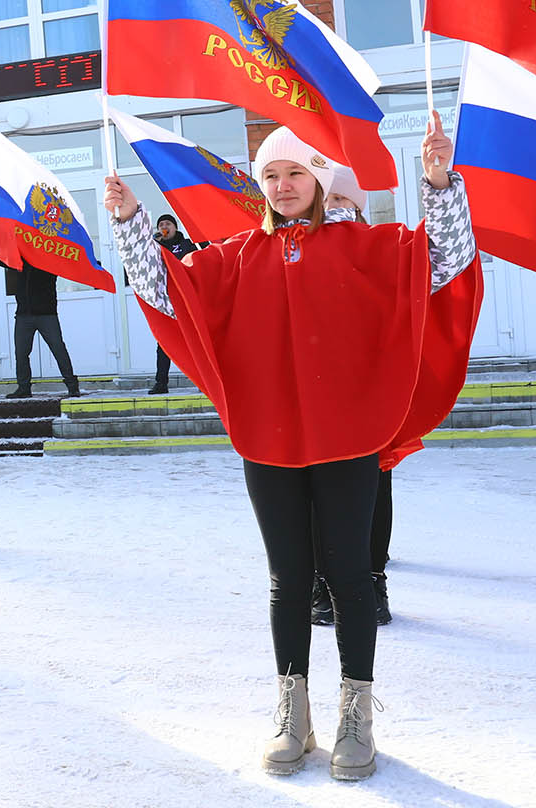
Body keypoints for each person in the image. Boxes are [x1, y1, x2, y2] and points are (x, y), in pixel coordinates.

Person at [106, 116, 480, 781]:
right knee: (286, 580)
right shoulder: (238, 254)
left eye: (295, 172)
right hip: (269, 439)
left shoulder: (367, 246)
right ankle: (292, 710)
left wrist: (438, 181)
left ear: (319, 179)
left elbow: (442, 261)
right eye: (271, 175)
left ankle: (355, 713)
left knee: (348, 575)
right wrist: (134, 223)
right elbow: (171, 293)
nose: (282, 185)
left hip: (347, 438)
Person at [307, 166, 396, 629]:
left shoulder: (369, 247)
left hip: (351, 388)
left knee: (342, 491)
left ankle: (345, 584)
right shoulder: (304, 248)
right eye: (332, 202)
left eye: (344, 202)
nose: (337, 210)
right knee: (367, 488)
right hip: (354, 389)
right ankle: (362, 582)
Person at [0, 249, 78, 400]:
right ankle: (23, 388)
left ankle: (72, 386)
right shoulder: (21, 260)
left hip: (47, 314)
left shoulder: (50, 260)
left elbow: (69, 262)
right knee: (21, 353)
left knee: (58, 349)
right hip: (23, 315)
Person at [149, 214, 199, 395]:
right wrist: (153, 241)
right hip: (165, 301)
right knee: (164, 343)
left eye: (167, 223)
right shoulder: (154, 247)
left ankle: (204, 381)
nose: (164, 226)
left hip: (185, 300)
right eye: (161, 224)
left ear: (175, 227)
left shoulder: (186, 244)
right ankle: (161, 383)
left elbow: (197, 263)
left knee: (194, 342)